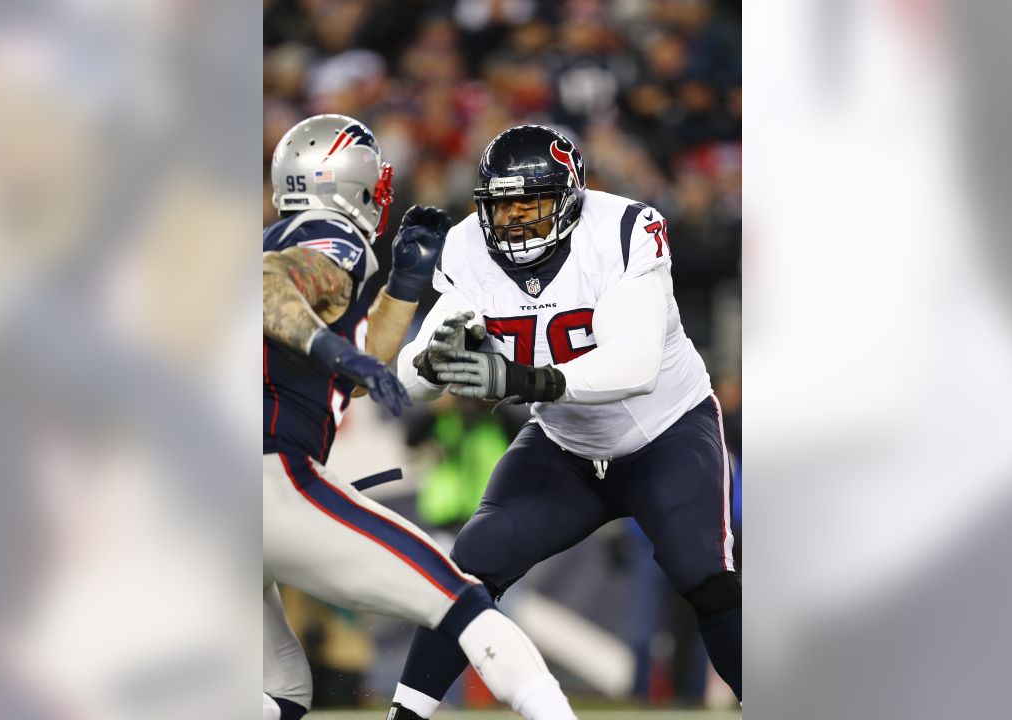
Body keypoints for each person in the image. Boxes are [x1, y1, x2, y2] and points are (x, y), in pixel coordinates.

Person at [388, 125, 742, 719]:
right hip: (565, 442)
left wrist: (525, 381)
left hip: (666, 432)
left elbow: (636, 364)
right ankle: (405, 716)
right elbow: (408, 383)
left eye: (531, 202)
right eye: (503, 205)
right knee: (470, 564)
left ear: (571, 198)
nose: (517, 218)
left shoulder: (621, 230)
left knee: (701, 571)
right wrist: (434, 359)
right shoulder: (467, 247)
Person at [261, 114, 576, 720]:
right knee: (465, 605)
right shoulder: (332, 234)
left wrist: (404, 286)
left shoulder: (285, 234)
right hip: (272, 482)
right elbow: (269, 292)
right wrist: (333, 348)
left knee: (283, 690)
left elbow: (348, 373)